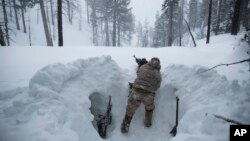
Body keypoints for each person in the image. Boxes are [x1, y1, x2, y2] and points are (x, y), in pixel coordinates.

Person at [121, 57, 162, 133]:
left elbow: (138, 74)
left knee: (130, 109)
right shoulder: (158, 74)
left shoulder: (143, 67)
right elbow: (157, 86)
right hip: (148, 94)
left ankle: (125, 126)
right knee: (149, 107)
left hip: (136, 91)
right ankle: (148, 123)